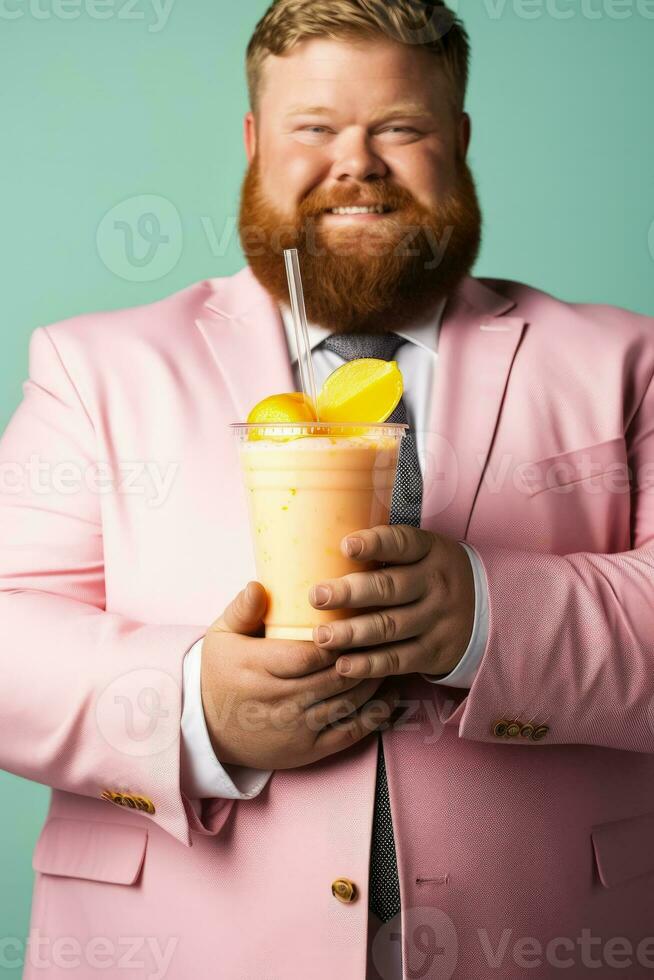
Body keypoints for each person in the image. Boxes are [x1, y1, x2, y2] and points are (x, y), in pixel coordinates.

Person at [2, 1, 653, 977]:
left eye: (401, 127)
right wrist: (189, 704)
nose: (357, 162)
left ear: (460, 140)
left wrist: (488, 613)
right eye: (316, 128)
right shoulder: (95, 365)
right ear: (257, 143)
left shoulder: (625, 360)